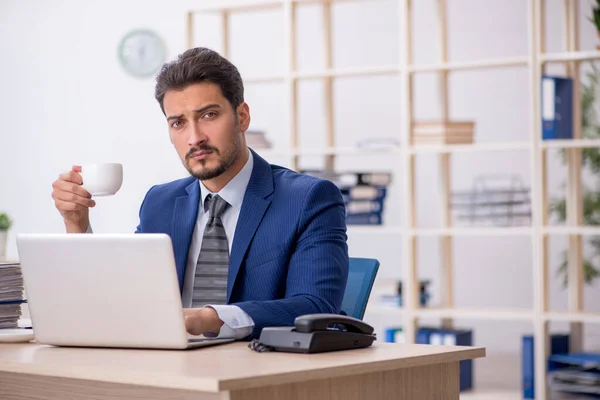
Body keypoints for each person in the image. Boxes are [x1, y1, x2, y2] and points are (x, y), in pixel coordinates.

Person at [51, 47, 349, 340]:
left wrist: (210, 318)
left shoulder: (308, 199)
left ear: (242, 116)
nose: (194, 138)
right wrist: (76, 224)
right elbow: (122, 299)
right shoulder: (160, 203)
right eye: (178, 123)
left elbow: (316, 307)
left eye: (208, 115)